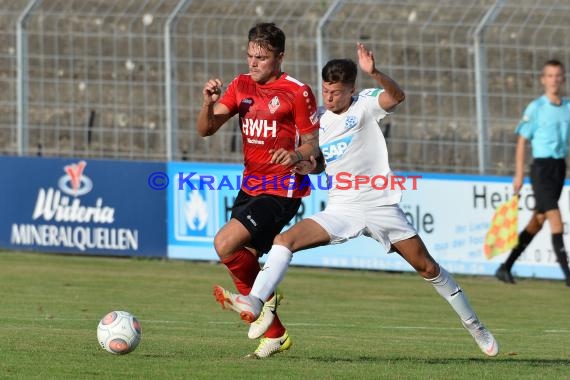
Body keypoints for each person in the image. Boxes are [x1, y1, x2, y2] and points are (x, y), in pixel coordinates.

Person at [215, 43, 499, 358]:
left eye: (336, 92)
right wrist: (307, 165)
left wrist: (374, 73)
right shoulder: (318, 119)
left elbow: (398, 97)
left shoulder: (365, 105)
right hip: (342, 208)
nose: (329, 97)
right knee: (284, 240)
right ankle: (256, 301)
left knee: (427, 267)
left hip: (380, 205)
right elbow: (320, 162)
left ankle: (476, 326)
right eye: (325, 90)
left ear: (352, 89)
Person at [196, 22, 320, 358]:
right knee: (239, 257)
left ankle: (264, 305)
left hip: (283, 189)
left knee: (224, 242)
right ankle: (276, 333)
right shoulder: (240, 86)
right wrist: (208, 103)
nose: (253, 62)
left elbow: (313, 145)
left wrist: (295, 155)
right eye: (250, 55)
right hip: (249, 186)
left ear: (280, 57)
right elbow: (206, 130)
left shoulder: (297, 91)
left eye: (261, 57)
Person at [495, 59, 570, 287]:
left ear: (563, 78)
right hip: (541, 169)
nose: (554, 80)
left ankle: (505, 267)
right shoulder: (536, 107)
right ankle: (568, 276)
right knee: (555, 219)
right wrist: (519, 174)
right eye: (549, 75)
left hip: (559, 168)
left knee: (537, 221)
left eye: (558, 75)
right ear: (543, 79)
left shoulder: (567, 106)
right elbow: (522, 141)